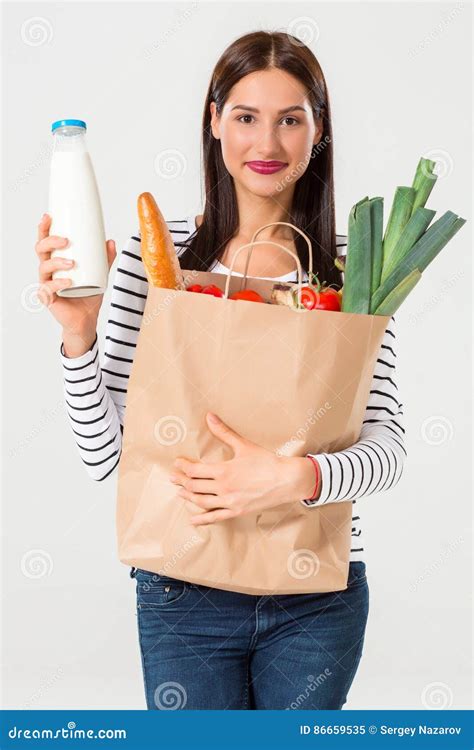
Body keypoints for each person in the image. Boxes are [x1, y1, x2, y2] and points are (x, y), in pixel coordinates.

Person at [35, 31, 406, 710]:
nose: (266, 143)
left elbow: (388, 449)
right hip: (183, 588)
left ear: (317, 132)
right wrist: (79, 337)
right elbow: (107, 458)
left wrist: (297, 477)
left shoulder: (355, 270)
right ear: (213, 122)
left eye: (290, 119)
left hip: (315, 596)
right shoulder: (159, 259)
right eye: (245, 117)